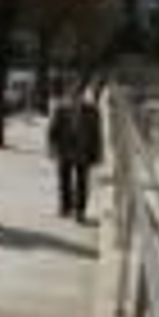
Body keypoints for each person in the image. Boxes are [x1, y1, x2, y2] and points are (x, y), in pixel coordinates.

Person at [47, 82, 103, 222]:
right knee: (64, 181)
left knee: (82, 183)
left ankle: (80, 211)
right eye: (72, 94)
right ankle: (65, 207)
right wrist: (52, 148)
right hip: (64, 150)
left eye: (78, 94)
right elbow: (52, 130)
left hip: (83, 151)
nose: (75, 97)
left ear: (82, 95)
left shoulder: (92, 111)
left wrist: (97, 154)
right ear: (68, 94)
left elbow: (97, 134)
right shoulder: (60, 109)